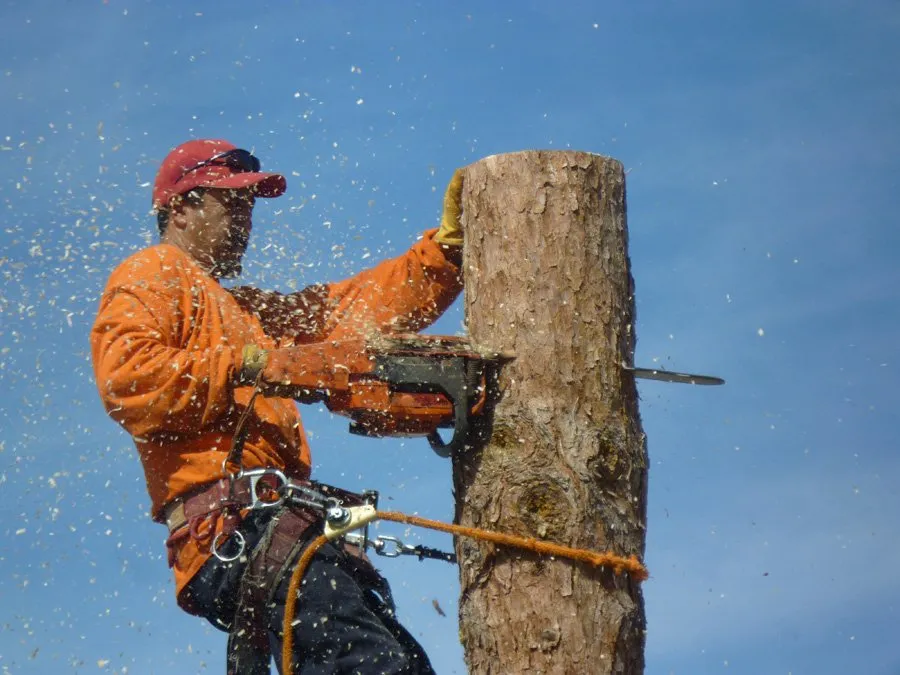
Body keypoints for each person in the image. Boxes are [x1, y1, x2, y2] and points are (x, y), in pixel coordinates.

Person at [90, 138, 464, 674]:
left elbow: (349, 311)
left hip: (278, 528)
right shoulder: (156, 271)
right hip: (233, 528)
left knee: (400, 662)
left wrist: (446, 252)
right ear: (180, 208)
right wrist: (248, 365)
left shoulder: (245, 311)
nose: (246, 221)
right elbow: (128, 379)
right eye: (232, 204)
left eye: (249, 208)